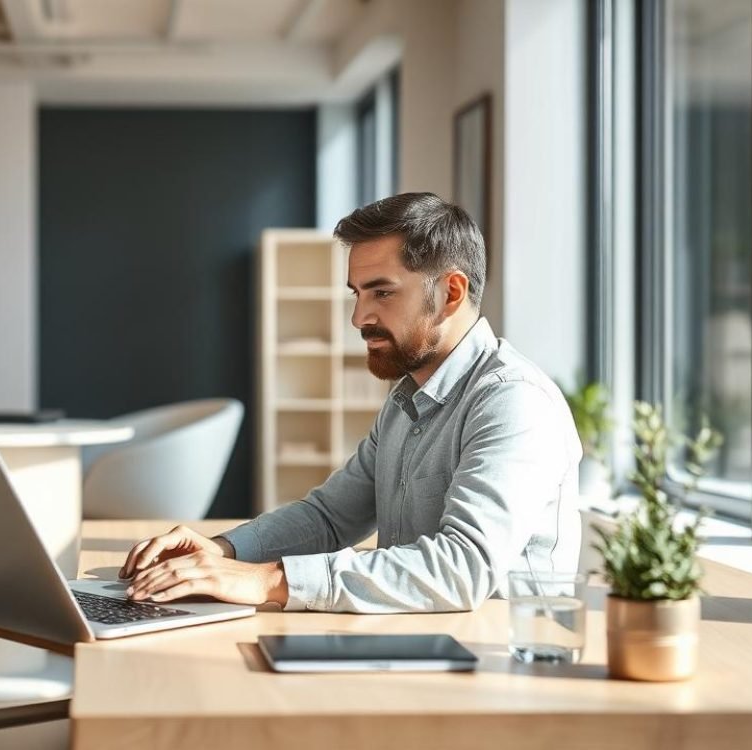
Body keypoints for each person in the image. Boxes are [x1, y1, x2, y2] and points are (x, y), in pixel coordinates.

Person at [120, 192, 581, 613]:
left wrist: (264, 581)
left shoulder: (514, 402)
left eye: (382, 292)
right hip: (420, 641)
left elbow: (460, 568)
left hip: (500, 663)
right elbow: (329, 518)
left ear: (450, 293)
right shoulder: (407, 399)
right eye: (357, 294)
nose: (359, 317)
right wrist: (219, 551)